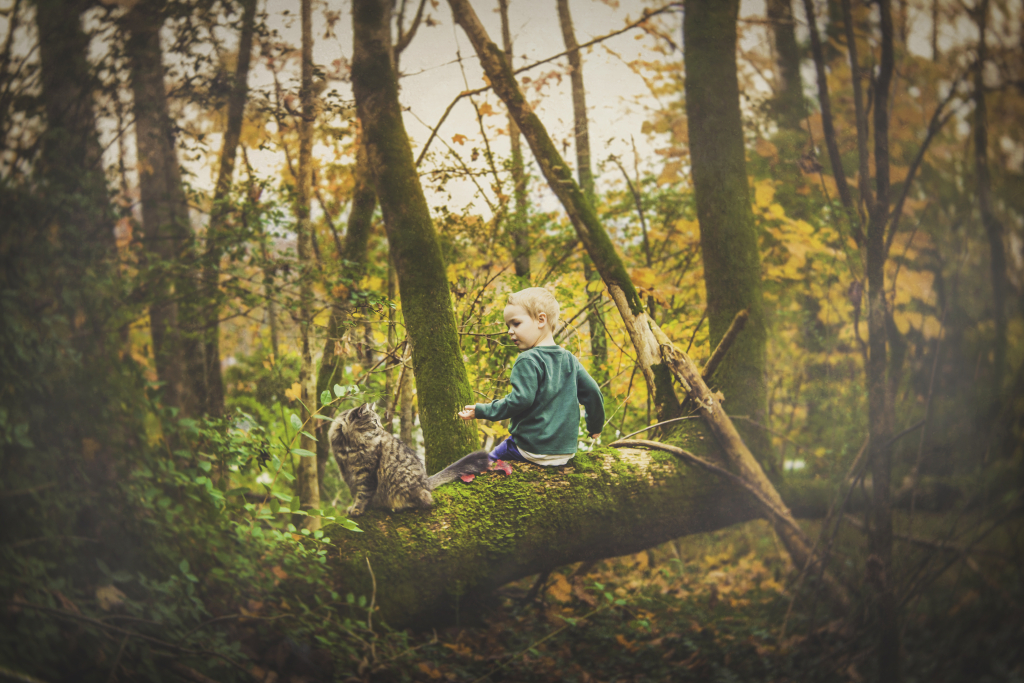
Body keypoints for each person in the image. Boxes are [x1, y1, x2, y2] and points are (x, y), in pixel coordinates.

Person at [457, 287, 604, 466]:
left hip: (532, 449)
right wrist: (595, 427)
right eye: (508, 326)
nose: (510, 331)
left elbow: (520, 400)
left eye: (516, 324)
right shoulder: (569, 359)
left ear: (541, 320)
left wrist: (482, 410)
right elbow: (593, 391)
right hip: (566, 453)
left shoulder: (528, 359)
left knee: (486, 463)